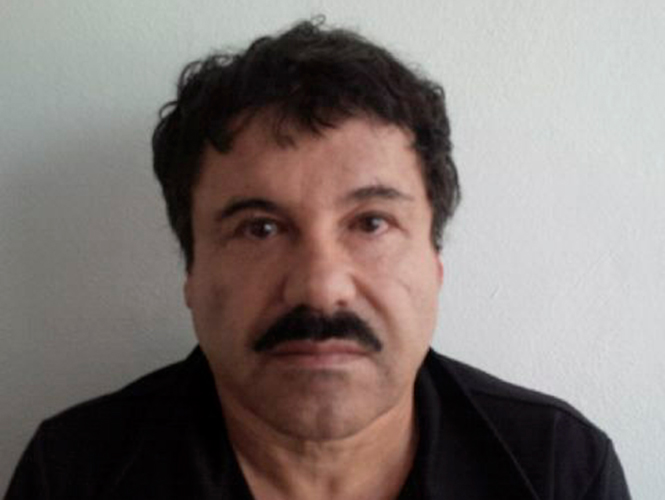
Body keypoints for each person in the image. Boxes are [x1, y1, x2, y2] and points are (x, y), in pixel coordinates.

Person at [5, 19, 630, 500]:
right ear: (191, 272)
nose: (321, 288)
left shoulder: (556, 469)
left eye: (372, 223)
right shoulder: (75, 476)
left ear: (435, 262)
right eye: (260, 228)